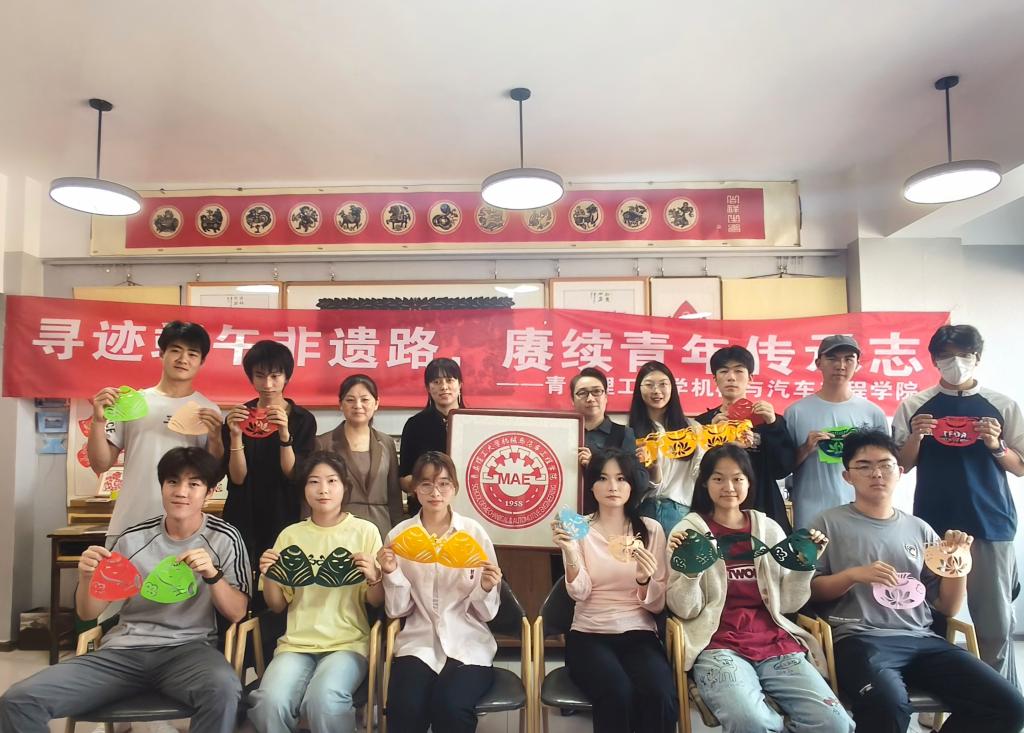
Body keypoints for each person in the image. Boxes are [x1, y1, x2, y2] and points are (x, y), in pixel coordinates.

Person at [0, 447, 250, 733]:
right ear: (162, 487)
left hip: (189, 651)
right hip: (123, 652)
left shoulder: (225, 538)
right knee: (19, 700)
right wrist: (87, 577)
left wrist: (213, 575)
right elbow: (88, 612)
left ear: (209, 492)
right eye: (172, 482)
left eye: (193, 484)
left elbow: (238, 612)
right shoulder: (132, 539)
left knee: (223, 691)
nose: (181, 492)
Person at [809, 429, 1024, 733]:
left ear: (899, 472)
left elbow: (948, 607)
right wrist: (852, 575)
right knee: (887, 704)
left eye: (885, 465)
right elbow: (810, 592)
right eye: (864, 466)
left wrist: (958, 563)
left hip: (923, 639)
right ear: (848, 476)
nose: (876, 474)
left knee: (1009, 706)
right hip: (860, 639)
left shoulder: (920, 529)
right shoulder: (827, 523)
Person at [665, 444, 852, 733]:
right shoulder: (687, 532)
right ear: (704, 483)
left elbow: (787, 605)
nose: (729, 487)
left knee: (834, 723)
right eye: (718, 478)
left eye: (737, 478)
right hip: (717, 645)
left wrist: (804, 566)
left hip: (776, 642)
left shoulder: (769, 530)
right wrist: (690, 573)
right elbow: (685, 610)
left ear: (749, 482)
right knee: (751, 722)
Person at [893, 324, 1024, 690]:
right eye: (946, 356)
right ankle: (935, 701)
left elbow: (1020, 465)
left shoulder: (1001, 404)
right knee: (933, 616)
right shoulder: (915, 405)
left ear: (977, 358)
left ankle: (1003, 702)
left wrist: (996, 445)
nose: (956, 363)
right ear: (934, 360)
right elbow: (900, 465)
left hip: (991, 522)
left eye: (964, 355)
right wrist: (916, 436)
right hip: (933, 525)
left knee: (995, 623)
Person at [248, 451, 384, 733]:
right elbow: (277, 605)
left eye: (332, 481)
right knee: (267, 703)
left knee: (324, 701)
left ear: (345, 486)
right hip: (295, 645)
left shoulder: (365, 531)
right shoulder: (291, 535)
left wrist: (374, 577)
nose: (323, 489)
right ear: (303, 489)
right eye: (314, 481)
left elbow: (375, 600)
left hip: (348, 644)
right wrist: (269, 575)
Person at [552, 447, 678, 733]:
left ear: (631, 484)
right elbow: (579, 593)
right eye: (603, 478)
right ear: (591, 485)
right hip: (589, 633)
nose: (612, 486)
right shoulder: (579, 529)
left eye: (621, 479)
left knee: (660, 694)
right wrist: (570, 553)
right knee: (618, 692)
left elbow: (657, 606)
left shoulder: (650, 530)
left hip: (639, 633)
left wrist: (644, 580)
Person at [379, 451, 503, 733]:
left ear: (454, 488)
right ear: (415, 489)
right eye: (426, 484)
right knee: (405, 707)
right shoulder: (400, 536)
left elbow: (487, 613)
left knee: (451, 706)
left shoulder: (473, 533)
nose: (435, 492)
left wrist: (486, 587)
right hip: (418, 643)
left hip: (468, 643)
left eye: (444, 484)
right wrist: (391, 572)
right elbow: (397, 610)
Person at [89, 320, 224, 538]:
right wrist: (98, 421)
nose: (183, 359)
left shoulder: (208, 410)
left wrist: (216, 438)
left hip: (184, 529)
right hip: (130, 523)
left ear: (202, 361)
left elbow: (213, 472)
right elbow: (100, 463)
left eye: (192, 354)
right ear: (161, 353)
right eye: (175, 350)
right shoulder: (132, 402)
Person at [223, 340, 317, 568]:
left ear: (287, 377)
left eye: (275, 376)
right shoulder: (240, 416)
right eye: (260, 375)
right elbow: (237, 478)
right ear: (251, 377)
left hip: (283, 510)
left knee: (278, 575)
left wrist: (284, 434)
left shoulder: (302, 419)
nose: (267, 384)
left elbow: (293, 474)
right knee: (239, 571)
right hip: (243, 509)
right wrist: (235, 435)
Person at [783, 334, 887, 529]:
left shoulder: (873, 413)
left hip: (863, 511)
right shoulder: (796, 412)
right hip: (811, 512)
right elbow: (782, 468)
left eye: (848, 359)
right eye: (832, 358)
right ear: (818, 363)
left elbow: (886, 467)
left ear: (858, 365)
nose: (841, 365)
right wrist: (806, 448)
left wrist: (860, 449)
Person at [695, 346, 796, 532]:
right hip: (717, 510)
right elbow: (695, 473)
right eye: (723, 371)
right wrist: (713, 436)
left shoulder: (768, 419)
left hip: (765, 508)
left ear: (751, 378)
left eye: (738, 371)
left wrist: (773, 426)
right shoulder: (703, 423)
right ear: (715, 379)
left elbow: (783, 468)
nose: (731, 377)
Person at [317, 374, 403, 541]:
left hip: (381, 527)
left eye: (365, 400)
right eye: (350, 400)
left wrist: (397, 532)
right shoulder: (324, 443)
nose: (358, 406)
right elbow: (313, 492)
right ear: (340, 404)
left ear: (376, 403)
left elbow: (394, 494)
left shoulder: (386, 443)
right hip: (338, 528)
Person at [628, 360, 704, 536]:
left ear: (672, 388)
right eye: (649, 385)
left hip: (679, 512)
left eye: (663, 384)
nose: (656, 391)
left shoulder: (693, 429)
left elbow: (700, 473)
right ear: (639, 389)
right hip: (642, 510)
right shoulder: (629, 431)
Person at [399, 357, 465, 516]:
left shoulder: (474, 422)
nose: (444, 387)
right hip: (427, 509)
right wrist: (427, 485)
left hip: (468, 507)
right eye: (436, 382)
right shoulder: (415, 425)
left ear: (460, 384)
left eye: (449, 380)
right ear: (428, 387)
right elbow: (404, 478)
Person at [572, 367, 644, 513]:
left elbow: (639, 481)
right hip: (568, 512)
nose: (590, 398)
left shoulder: (624, 434)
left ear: (606, 397)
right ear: (573, 400)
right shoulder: (564, 433)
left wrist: (595, 464)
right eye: (582, 393)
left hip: (609, 517)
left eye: (597, 391)